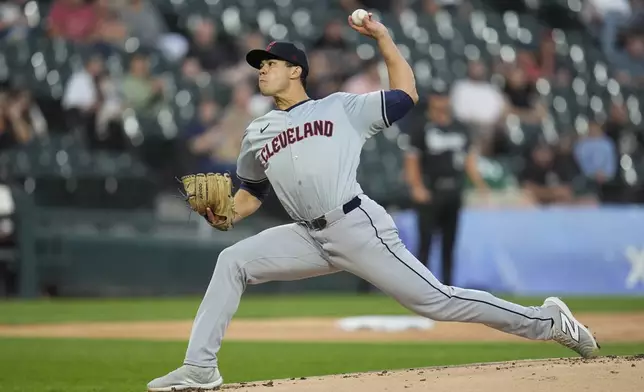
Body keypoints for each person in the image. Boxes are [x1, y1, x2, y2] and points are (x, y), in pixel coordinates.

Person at [147, 13, 600, 392]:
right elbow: (250, 196)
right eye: (259, 64)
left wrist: (383, 37)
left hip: (356, 225)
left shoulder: (341, 107)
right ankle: (201, 367)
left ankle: (550, 322)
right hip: (307, 236)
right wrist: (222, 214)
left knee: (437, 302)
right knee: (233, 259)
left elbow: (406, 94)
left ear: (296, 70)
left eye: (270, 63)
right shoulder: (256, 132)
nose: (261, 69)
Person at [404, 90, 488, 286]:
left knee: (449, 244)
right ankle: (419, 287)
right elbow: (411, 160)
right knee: (425, 243)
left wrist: (481, 186)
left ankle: (449, 287)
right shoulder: (421, 127)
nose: (441, 102)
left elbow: (469, 159)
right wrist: (416, 186)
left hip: (453, 191)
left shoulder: (460, 128)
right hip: (430, 190)